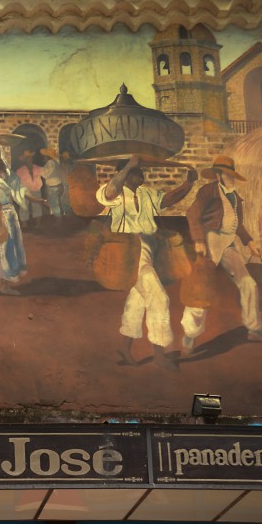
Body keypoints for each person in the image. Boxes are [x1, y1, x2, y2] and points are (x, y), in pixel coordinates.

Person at [96, 155, 198, 370]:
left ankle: (125, 347)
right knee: (158, 298)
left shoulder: (146, 194)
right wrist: (130, 165)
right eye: (136, 170)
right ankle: (159, 354)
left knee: (138, 299)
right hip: (128, 248)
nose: (141, 173)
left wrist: (189, 183)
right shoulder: (114, 192)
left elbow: (168, 199)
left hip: (148, 247)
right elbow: (110, 191)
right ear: (125, 173)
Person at [180, 154, 262, 354]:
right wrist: (198, 240)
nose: (231, 178)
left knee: (248, 283)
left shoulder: (235, 197)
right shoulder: (208, 191)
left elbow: (237, 225)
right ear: (218, 175)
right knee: (201, 287)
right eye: (228, 174)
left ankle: (254, 329)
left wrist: (249, 242)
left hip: (228, 242)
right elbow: (192, 214)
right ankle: (189, 336)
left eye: (232, 175)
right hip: (210, 239)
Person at [0, 145, 47, 294]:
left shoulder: (8, 174)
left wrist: (37, 201)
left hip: (8, 214)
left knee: (8, 249)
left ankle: (5, 285)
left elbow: (20, 191)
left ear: (1, 155)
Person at [15, 147, 45, 228]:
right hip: (25, 191)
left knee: (37, 206)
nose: (29, 159)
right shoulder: (20, 170)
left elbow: (46, 174)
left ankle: (38, 223)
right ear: (24, 160)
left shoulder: (38, 168)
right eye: (27, 158)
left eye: (30, 157)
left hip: (36, 189)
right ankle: (25, 224)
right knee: (24, 207)